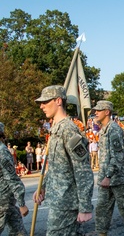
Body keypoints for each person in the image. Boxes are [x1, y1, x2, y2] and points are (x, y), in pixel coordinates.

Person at [33, 85, 94, 235]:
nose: (41, 106)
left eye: (45, 102)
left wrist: (85, 207)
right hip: (59, 201)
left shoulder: (68, 130)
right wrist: (44, 186)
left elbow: (83, 170)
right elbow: (56, 167)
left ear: (58, 101)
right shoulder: (56, 130)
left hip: (66, 203)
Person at [92, 100, 124, 236]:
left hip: (118, 179)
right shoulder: (104, 130)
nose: (95, 112)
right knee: (102, 209)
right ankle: (101, 233)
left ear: (107, 112)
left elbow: (118, 156)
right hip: (106, 179)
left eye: (99, 110)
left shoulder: (114, 129)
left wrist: (108, 176)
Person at [0, 122, 29, 235]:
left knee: (18, 231)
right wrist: (21, 203)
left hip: (5, 201)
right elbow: (12, 178)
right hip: (3, 202)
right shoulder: (2, 151)